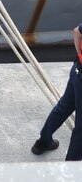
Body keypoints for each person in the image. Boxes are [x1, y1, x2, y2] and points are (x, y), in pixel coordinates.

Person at [31, 23, 82, 161]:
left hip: (77, 70)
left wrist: (79, 56)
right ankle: (71, 166)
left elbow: (77, 32)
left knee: (63, 108)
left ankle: (43, 141)